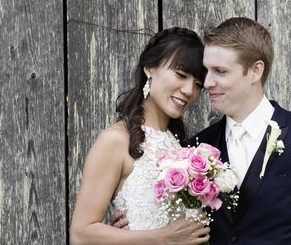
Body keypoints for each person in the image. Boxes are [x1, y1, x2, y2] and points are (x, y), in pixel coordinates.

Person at [114, 17, 291, 244]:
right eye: (207, 71)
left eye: (220, 71)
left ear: (255, 71)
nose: (207, 82)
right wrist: (133, 233)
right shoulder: (195, 149)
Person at [69, 27, 211, 245]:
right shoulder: (116, 140)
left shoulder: (181, 148)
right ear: (149, 68)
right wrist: (162, 238)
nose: (189, 90)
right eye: (181, 75)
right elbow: (81, 234)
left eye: (198, 84)